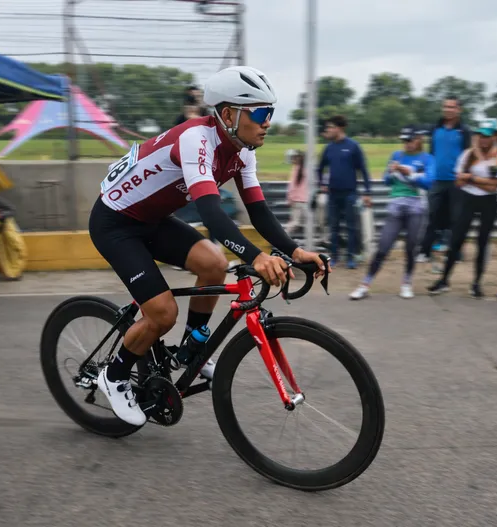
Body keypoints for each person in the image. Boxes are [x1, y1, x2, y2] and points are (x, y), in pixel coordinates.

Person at [89, 66, 328, 426]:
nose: (267, 123)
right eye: (261, 113)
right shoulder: (196, 139)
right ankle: (115, 376)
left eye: (270, 113)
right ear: (229, 114)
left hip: (152, 220)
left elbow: (259, 212)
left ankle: (192, 349)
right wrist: (257, 256)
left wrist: (295, 252)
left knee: (215, 264)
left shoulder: (243, 151)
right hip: (115, 224)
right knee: (162, 313)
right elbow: (211, 212)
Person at [349, 125, 434, 301]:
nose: (407, 144)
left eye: (410, 140)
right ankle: (365, 284)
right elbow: (387, 181)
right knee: (383, 247)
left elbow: (428, 183)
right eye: (404, 141)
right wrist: (390, 172)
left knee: (411, 247)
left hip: (416, 205)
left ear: (418, 140)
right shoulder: (397, 155)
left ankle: (406, 283)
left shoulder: (427, 159)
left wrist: (408, 173)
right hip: (396, 204)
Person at [428, 118, 497, 298]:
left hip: (489, 202)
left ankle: (477, 283)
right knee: (456, 239)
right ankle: (444, 280)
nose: (483, 139)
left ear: (496, 137)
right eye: (480, 135)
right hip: (468, 199)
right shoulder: (467, 155)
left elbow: (494, 187)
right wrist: (481, 181)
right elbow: (458, 182)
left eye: (487, 136)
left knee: (482, 242)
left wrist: (471, 178)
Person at [417, 96, 472, 265]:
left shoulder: (464, 131)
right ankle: (425, 251)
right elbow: (431, 154)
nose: (448, 110)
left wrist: (465, 176)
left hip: (456, 181)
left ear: (458, 110)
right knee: (432, 216)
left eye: (452, 107)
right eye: (445, 106)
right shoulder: (435, 129)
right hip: (436, 181)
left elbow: (469, 155)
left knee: (457, 219)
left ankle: (456, 253)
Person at [317, 115, 372, 268]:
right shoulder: (328, 148)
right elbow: (320, 168)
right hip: (332, 194)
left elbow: (363, 170)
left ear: (339, 128)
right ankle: (334, 257)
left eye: (330, 127)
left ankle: (351, 257)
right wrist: (322, 184)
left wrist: (368, 192)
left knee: (351, 227)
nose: (328, 130)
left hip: (350, 193)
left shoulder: (353, 146)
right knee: (333, 227)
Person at [284, 150, 309, 237]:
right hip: (304, 200)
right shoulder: (306, 169)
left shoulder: (297, 169)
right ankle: (283, 237)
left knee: (295, 222)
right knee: (301, 222)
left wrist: (289, 198)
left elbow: (291, 186)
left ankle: (283, 237)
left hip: (297, 200)